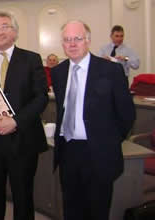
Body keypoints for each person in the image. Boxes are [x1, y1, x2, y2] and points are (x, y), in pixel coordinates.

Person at [51, 20, 135, 220]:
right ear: (62, 44)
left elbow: (127, 114)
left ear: (87, 40)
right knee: (71, 209)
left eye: (77, 39)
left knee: (97, 211)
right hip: (68, 150)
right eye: (67, 40)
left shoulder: (111, 71)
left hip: (98, 152)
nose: (72, 44)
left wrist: (108, 141)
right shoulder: (59, 72)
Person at [0, 11, 48, 220]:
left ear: (15, 32)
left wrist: (15, 121)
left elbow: (41, 98)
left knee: (23, 197)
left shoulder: (31, 59)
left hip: (23, 140)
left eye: (4, 26)